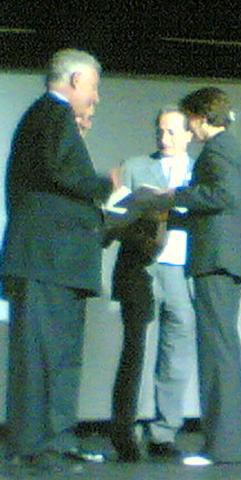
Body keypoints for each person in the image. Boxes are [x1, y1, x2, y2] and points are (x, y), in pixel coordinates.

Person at [0, 48, 115, 472]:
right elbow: (64, 173)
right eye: (94, 88)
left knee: (47, 357)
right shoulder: (53, 113)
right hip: (49, 262)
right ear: (75, 81)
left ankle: (42, 442)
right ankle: (44, 445)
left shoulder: (43, 117)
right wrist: (107, 185)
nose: (96, 98)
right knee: (49, 358)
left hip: (49, 263)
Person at [143, 87, 241, 464]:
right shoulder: (228, 148)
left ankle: (224, 446)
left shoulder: (219, 149)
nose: (190, 128)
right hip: (224, 259)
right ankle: (233, 443)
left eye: (190, 120)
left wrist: (175, 196)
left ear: (200, 117)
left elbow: (222, 195)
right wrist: (178, 212)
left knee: (217, 353)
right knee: (223, 351)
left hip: (217, 261)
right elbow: (220, 202)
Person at [109, 107, 196, 462]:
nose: (164, 138)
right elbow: (114, 219)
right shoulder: (135, 166)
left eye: (172, 132)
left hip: (181, 268)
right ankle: (124, 431)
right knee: (135, 349)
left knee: (177, 348)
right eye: (160, 131)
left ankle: (164, 432)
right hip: (141, 265)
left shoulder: (200, 171)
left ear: (189, 134)